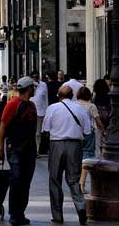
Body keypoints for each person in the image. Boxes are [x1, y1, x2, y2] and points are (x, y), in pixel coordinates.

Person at [42, 85, 90, 225]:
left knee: (55, 179)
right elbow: (87, 131)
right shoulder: (80, 108)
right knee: (74, 179)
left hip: (56, 144)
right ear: (72, 95)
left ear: (59, 95)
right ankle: (81, 207)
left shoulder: (52, 108)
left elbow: (46, 128)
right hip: (74, 145)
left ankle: (57, 215)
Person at [0, 77, 38, 226]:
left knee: (26, 181)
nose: (35, 90)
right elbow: (3, 126)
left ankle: (20, 213)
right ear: (29, 88)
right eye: (33, 87)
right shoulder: (12, 105)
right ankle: (14, 213)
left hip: (29, 149)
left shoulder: (32, 105)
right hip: (15, 148)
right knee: (16, 180)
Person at [76, 86, 104, 193]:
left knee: (78, 157)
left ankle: (77, 181)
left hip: (76, 133)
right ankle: (81, 183)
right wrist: (103, 131)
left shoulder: (74, 104)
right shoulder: (91, 106)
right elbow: (98, 121)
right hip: (88, 133)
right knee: (87, 157)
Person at [31, 71, 48, 154]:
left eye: (37, 77)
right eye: (34, 77)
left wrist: (47, 110)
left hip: (40, 111)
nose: (35, 79)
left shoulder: (43, 85)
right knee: (30, 131)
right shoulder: (29, 85)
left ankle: (37, 150)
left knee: (38, 132)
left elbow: (46, 99)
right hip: (30, 111)